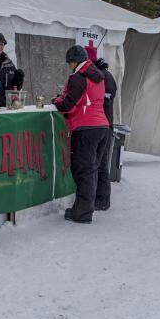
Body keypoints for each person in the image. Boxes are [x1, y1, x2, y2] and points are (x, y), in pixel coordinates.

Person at [53, 45, 111, 224]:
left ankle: (82, 213)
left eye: (69, 63)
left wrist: (56, 100)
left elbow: (68, 105)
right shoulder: (98, 76)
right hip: (102, 126)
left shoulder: (78, 77)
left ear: (73, 62)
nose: (69, 67)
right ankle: (86, 207)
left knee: (83, 171)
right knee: (92, 170)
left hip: (85, 128)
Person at [93, 55, 118, 211]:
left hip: (104, 124)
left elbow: (106, 100)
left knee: (101, 164)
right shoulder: (107, 76)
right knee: (101, 164)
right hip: (105, 124)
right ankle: (101, 199)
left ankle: (102, 200)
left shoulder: (104, 77)